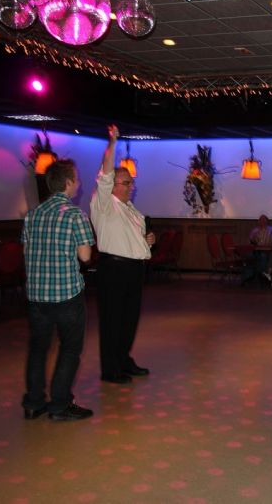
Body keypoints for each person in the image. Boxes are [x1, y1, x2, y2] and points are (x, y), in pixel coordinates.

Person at [21, 159, 95, 421]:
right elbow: (85, 256)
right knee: (69, 348)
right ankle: (59, 404)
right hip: (66, 295)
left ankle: (33, 403)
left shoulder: (32, 215)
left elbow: (26, 252)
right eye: (77, 178)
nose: (80, 183)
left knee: (38, 348)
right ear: (68, 183)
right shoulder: (75, 215)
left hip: (36, 295)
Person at [90, 124, 156, 384]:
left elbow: (134, 238)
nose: (132, 186)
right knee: (112, 321)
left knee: (129, 320)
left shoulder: (130, 209)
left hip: (133, 269)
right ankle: (110, 370)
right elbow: (105, 173)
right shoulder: (104, 204)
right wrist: (112, 143)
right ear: (113, 185)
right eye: (127, 183)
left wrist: (147, 241)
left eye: (131, 182)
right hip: (114, 269)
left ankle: (123, 360)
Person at [240, 214, 272, 285]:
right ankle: (247, 277)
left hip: (267, 251)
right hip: (256, 250)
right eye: (261, 220)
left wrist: (269, 243)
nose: (262, 222)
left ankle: (263, 276)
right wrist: (253, 240)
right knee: (248, 256)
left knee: (263, 256)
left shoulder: (271, 229)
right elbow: (250, 241)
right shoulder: (255, 230)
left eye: (264, 220)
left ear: (267, 221)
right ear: (258, 222)